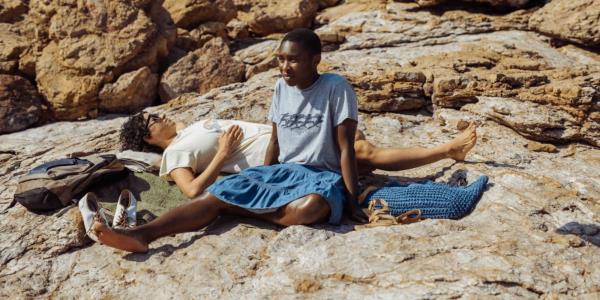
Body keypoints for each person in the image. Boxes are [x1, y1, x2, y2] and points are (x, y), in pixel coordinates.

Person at [92, 29, 474, 253]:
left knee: (309, 209)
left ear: (315, 60)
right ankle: (143, 234)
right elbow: (274, 138)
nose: (283, 67)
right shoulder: (277, 87)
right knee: (215, 196)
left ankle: (236, 207)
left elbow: (344, 147)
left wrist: (352, 196)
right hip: (282, 167)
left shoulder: (335, 87)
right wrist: (264, 176)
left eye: (292, 60)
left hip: (320, 172)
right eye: (280, 60)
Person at [119, 112, 476, 199]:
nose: (159, 116)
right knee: (363, 153)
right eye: (151, 120)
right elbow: (192, 190)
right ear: (149, 139)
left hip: (290, 137)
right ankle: (448, 151)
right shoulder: (176, 153)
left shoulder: (191, 128)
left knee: (354, 137)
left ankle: (443, 152)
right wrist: (223, 153)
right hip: (285, 156)